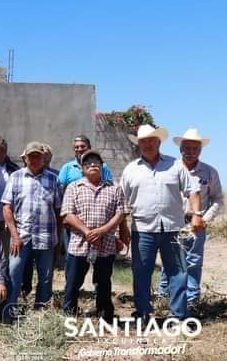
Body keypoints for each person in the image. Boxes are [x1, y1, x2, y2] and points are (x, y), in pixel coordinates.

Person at [121, 125, 202, 321]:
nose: (148, 144)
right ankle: (143, 314)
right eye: (143, 141)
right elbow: (121, 201)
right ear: (138, 144)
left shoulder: (175, 165)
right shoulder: (131, 169)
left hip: (173, 228)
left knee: (178, 273)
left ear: (159, 142)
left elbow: (193, 191)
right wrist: (122, 228)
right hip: (142, 230)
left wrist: (197, 214)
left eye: (152, 140)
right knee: (141, 273)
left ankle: (178, 316)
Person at [157, 129, 223, 311]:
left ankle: (192, 301)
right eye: (187, 148)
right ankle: (163, 297)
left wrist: (204, 219)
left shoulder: (209, 172)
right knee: (169, 260)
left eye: (195, 148)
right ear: (181, 149)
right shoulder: (170, 169)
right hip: (172, 223)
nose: (190, 152)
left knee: (193, 262)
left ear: (200, 150)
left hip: (196, 225)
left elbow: (218, 199)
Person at [61, 150, 128, 320]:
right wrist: (88, 232)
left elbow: (120, 213)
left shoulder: (114, 188)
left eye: (96, 162)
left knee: (103, 281)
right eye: (88, 163)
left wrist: (102, 231)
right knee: (73, 281)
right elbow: (67, 214)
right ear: (82, 169)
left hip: (106, 243)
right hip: (79, 243)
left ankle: (105, 313)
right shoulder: (73, 187)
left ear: (102, 166)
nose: (93, 165)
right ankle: (69, 313)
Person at [2, 142, 63, 318]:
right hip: (21, 236)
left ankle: (40, 312)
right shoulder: (15, 177)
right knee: (14, 272)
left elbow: (59, 211)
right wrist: (14, 236)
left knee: (45, 276)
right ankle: (10, 310)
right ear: (25, 159)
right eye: (31, 156)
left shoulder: (53, 179)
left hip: (46, 237)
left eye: (38, 156)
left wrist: (58, 239)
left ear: (44, 159)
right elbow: (7, 208)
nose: (35, 159)